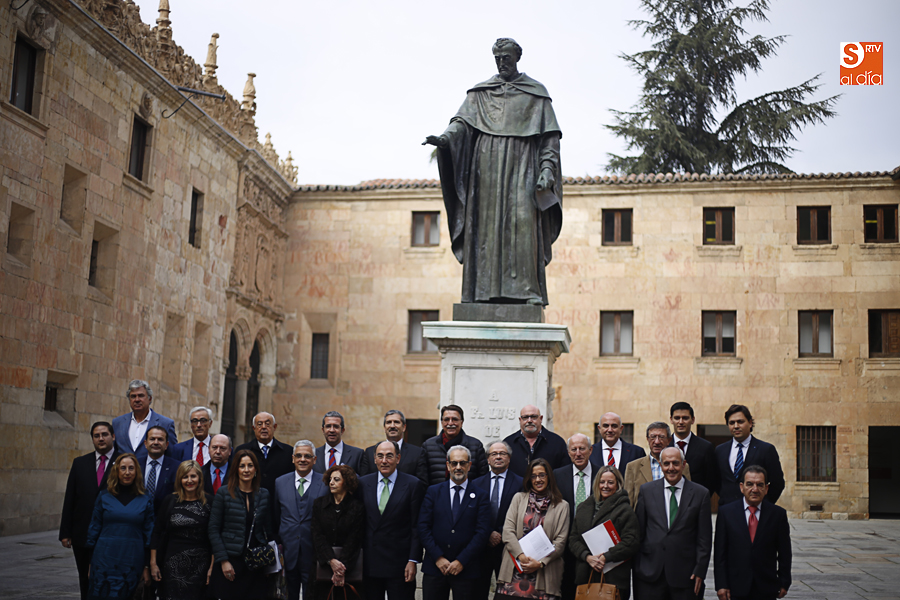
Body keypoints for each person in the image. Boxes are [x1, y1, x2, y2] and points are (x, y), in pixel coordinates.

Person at [424, 37, 563, 306]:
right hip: (485, 171)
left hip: (523, 168)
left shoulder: (536, 94)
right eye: (497, 58)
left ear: (517, 57)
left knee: (523, 224)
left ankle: (527, 291)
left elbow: (549, 141)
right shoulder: (481, 93)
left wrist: (547, 170)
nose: (501, 63)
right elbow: (461, 125)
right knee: (485, 230)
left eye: (506, 58)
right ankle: (479, 292)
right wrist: (445, 139)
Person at [633, 447, 712, 600]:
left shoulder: (700, 494)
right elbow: (639, 532)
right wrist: (638, 567)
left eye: (675, 463)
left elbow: (704, 538)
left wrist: (700, 570)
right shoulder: (647, 491)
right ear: (661, 465)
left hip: (686, 576)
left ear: (683, 465)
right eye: (666, 464)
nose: (671, 468)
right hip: (650, 574)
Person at [417, 445, 491, 600]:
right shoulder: (433, 492)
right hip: (435, 567)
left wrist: (461, 561)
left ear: (469, 465)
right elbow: (423, 527)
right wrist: (438, 557)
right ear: (448, 465)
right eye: (454, 463)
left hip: (467, 569)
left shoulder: (480, 495)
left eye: (463, 463)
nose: (458, 467)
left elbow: (482, 532)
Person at [359, 440, 426, 600]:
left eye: (389, 456)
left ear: (398, 458)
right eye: (380, 456)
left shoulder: (412, 484)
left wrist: (412, 560)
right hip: (370, 562)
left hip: (400, 563)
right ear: (374, 459)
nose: (384, 461)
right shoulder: (363, 484)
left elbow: (416, 525)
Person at [59, 422, 120, 600]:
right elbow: (70, 498)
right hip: (82, 533)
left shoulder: (123, 462)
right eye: (96, 435)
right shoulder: (80, 463)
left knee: (108, 578)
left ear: (113, 436)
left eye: (104, 434)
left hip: (110, 533)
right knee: (85, 577)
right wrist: (65, 532)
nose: (101, 438)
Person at [495, 458, 570, 600]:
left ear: (549, 477)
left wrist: (540, 563)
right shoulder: (518, 498)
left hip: (544, 576)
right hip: (514, 573)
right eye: (533, 476)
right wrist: (521, 556)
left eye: (542, 475)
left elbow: (560, 542)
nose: (538, 480)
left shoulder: (562, 506)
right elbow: (508, 531)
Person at [714, 465, 792, 600]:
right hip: (735, 588)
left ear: (766, 488)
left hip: (766, 588)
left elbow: (785, 552)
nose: (755, 489)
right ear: (741, 487)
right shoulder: (726, 513)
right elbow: (720, 553)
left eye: (760, 485)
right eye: (749, 484)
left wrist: (784, 582)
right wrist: (721, 584)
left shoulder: (777, 515)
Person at [85, 453, 155, 599]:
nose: (127, 472)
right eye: (123, 468)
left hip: (132, 561)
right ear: (116, 470)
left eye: (131, 468)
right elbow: (94, 529)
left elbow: (149, 534)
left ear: (137, 472)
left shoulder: (145, 498)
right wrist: (90, 562)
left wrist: (147, 566)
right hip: (104, 560)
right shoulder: (104, 496)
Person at [568, 466, 640, 600]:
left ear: (618, 484)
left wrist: (606, 557)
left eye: (610, 482)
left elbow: (631, 542)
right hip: (585, 577)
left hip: (613, 579)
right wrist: (587, 557)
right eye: (602, 482)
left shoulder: (625, 510)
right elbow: (573, 539)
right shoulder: (583, 507)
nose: (605, 486)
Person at [208, 449, 271, 600]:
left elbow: (267, 528)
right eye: (242, 466)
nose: (246, 470)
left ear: (256, 469)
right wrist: (223, 560)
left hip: (255, 563)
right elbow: (213, 529)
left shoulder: (264, 494)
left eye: (250, 466)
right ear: (236, 469)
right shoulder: (224, 493)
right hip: (230, 561)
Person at [150, 460, 214, 600]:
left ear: (199, 478)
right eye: (185, 477)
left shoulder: (210, 502)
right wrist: (153, 563)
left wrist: (211, 567)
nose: (189, 480)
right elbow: (157, 532)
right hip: (171, 566)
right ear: (179, 479)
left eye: (193, 476)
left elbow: (214, 536)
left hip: (201, 567)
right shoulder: (170, 500)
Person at [274, 440, 329, 600]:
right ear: (292, 458)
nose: (302, 459)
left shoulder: (325, 483)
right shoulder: (280, 482)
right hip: (288, 549)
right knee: (289, 594)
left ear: (314, 459)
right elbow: (277, 515)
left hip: (314, 551)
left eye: (307, 456)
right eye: (298, 456)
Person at [471, 441, 524, 600]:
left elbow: (521, 514)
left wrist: (501, 533)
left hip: (508, 548)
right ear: (488, 459)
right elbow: (472, 515)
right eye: (494, 454)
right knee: (478, 591)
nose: (498, 457)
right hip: (482, 547)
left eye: (503, 454)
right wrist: (488, 533)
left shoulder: (520, 483)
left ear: (509, 458)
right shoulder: (476, 483)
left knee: (506, 593)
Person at [311, 465, 365, 600]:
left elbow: (355, 539)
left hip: (348, 569)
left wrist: (340, 569)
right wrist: (331, 561)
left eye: (336, 479)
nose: (331, 483)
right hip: (323, 566)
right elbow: (317, 535)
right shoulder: (319, 504)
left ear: (346, 482)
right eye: (330, 479)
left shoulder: (357, 507)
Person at [553, 433, 596, 600]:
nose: (578, 453)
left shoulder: (602, 474)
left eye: (582, 449)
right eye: (574, 449)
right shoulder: (557, 475)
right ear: (568, 452)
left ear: (590, 450)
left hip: (594, 546)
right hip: (566, 545)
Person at [714, 405, 785, 506]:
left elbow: (777, 483)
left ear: (750, 423)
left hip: (756, 513)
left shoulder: (766, 450)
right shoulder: (720, 450)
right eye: (731, 423)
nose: (736, 426)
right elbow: (716, 481)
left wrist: (763, 505)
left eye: (740, 421)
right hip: (727, 511)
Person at [623, 422, 693, 508]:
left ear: (669, 440)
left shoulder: (683, 467)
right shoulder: (633, 467)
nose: (657, 442)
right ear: (647, 439)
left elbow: (687, 496)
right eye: (653, 437)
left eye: (661, 437)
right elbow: (629, 502)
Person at [112, 379, 177, 462]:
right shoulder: (118, 423)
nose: (137, 399)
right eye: (133, 396)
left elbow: (172, 455)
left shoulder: (165, 424)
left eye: (141, 395)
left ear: (150, 399)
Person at [422, 405, 489, 485]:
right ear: (442, 422)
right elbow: (423, 478)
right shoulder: (428, 446)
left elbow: (483, 478)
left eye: (455, 419)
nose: (450, 423)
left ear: (462, 422)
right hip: (437, 496)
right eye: (446, 419)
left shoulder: (476, 446)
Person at [234, 412, 294, 501]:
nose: (263, 427)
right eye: (259, 424)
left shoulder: (288, 452)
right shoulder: (242, 450)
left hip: (279, 503)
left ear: (275, 427)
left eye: (267, 424)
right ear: (254, 428)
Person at [359, 410, 429, 482]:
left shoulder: (417, 453)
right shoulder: (369, 452)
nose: (392, 426)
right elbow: (364, 482)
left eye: (396, 422)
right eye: (389, 422)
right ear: (384, 428)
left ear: (404, 427)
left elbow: (422, 484)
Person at [503, 405, 570, 476]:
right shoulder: (508, 443)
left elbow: (565, 473)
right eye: (525, 417)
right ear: (520, 420)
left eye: (533, 417)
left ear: (541, 419)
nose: (529, 420)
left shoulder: (557, 443)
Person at [668, 402, 718, 495]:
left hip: (696, 503)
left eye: (685, 418)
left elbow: (711, 481)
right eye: (677, 418)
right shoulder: (665, 446)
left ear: (693, 420)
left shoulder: (706, 447)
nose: (681, 422)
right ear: (671, 420)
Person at [142, 426, 181, 511]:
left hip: (165, 518)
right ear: (145, 443)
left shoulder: (177, 467)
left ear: (166, 445)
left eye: (160, 439)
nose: (156, 442)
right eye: (152, 439)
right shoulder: (136, 464)